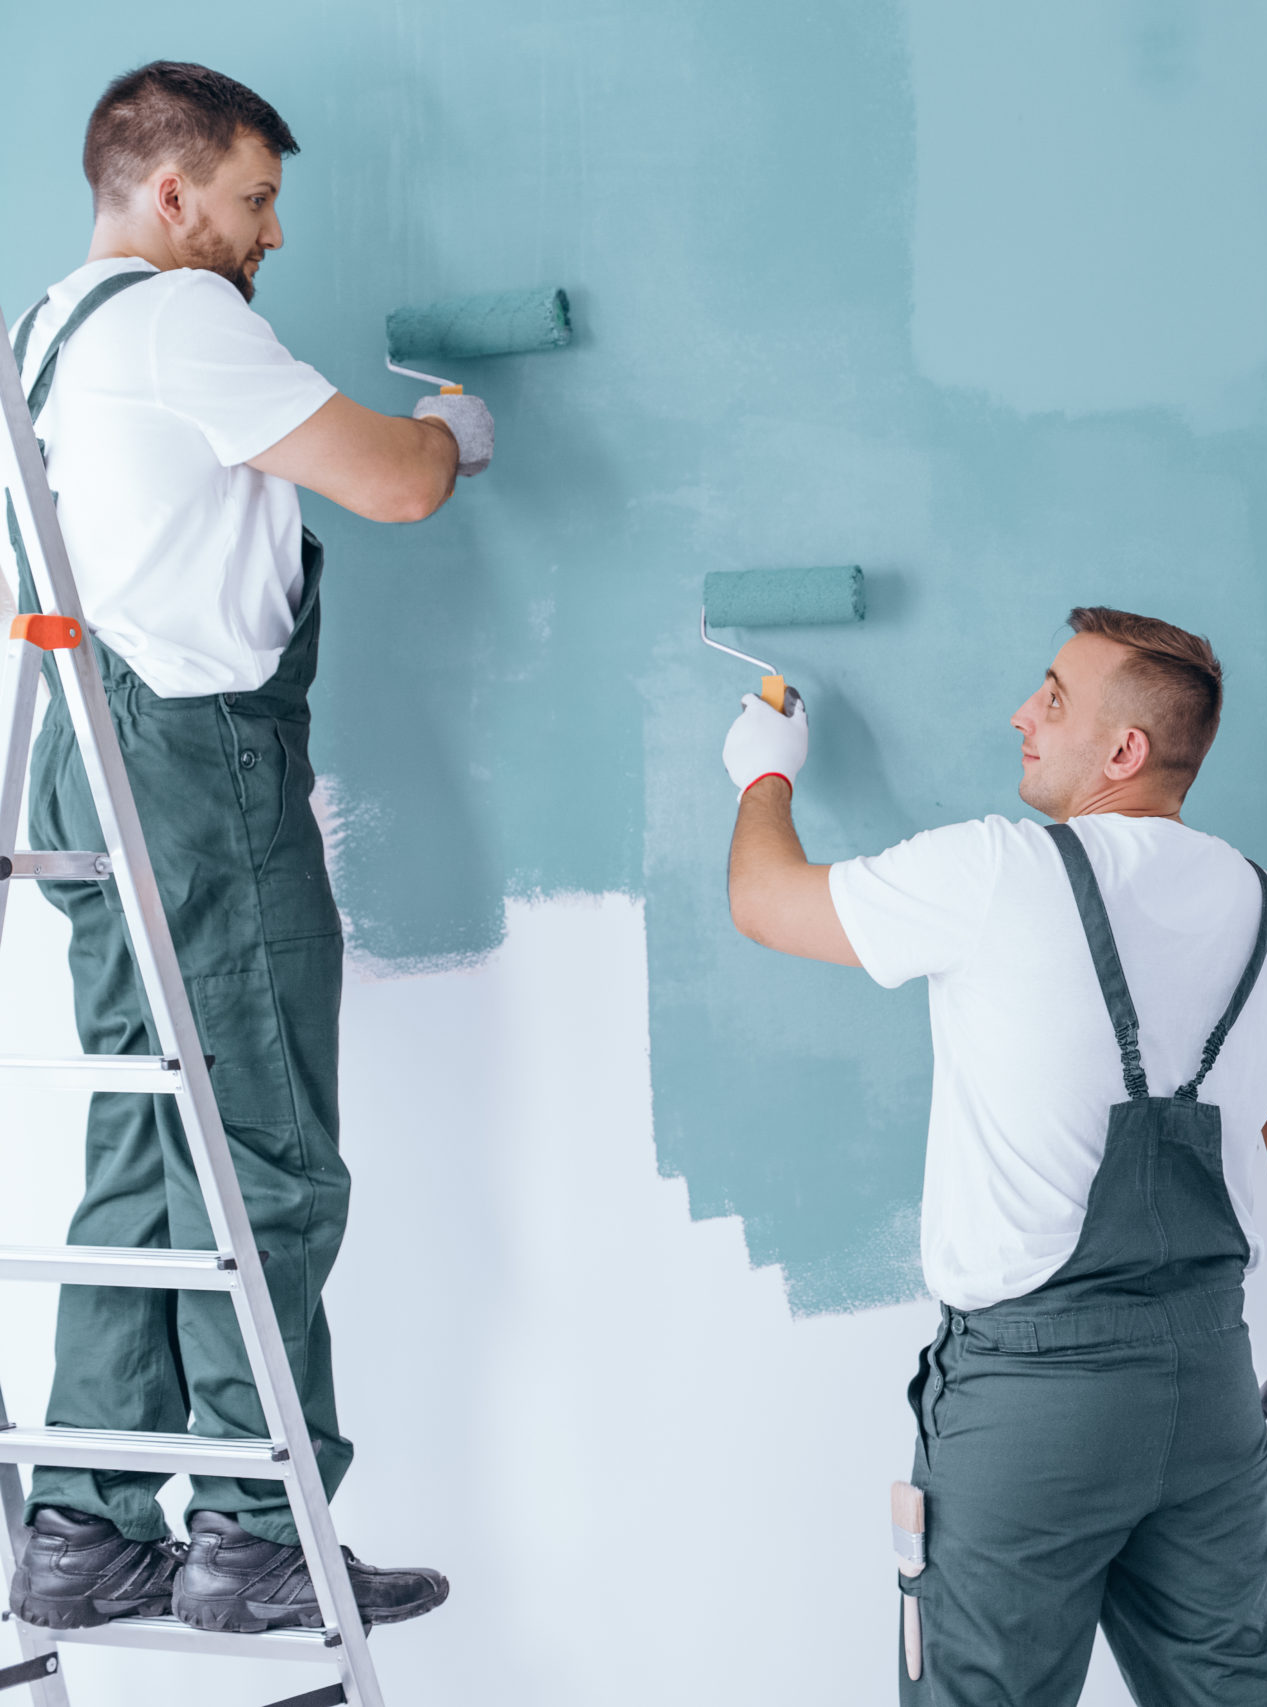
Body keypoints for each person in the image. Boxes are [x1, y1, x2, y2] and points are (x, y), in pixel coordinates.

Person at [6, 62, 478, 1632]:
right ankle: (263, 1532)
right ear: (171, 193)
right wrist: (457, 430)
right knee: (265, 1146)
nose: (272, 236)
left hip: (86, 764)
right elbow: (398, 487)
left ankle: (81, 1523)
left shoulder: (45, 334)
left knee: (148, 1144)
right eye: (257, 198)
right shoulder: (177, 319)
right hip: (200, 769)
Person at [723, 606, 1267, 1706]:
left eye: (1051, 698)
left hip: (1030, 1411)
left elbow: (765, 902)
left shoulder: (995, 871)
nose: (1022, 713)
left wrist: (761, 775)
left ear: (1124, 751)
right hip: (1207, 1396)